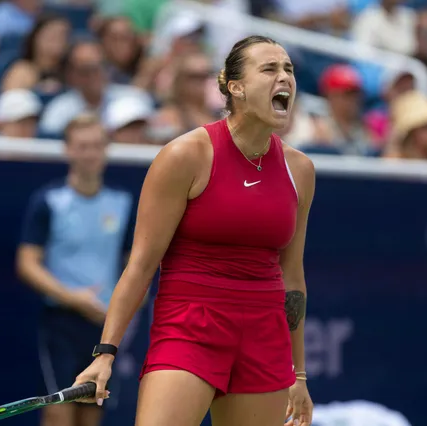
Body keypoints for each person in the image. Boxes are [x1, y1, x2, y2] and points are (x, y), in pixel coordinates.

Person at [73, 35, 315, 426]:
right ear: (235, 87)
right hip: (190, 328)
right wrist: (105, 352)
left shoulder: (300, 169)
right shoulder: (185, 155)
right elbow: (141, 265)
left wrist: (298, 374)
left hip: (265, 336)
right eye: (269, 69)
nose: (284, 77)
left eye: (288, 69)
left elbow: (293, 278)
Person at [16, 113, 134, 426]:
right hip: (61, 325)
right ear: (68, 150)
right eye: (82, 146)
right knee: (58, 411)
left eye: (97, 145)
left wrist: (125, 307)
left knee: (91, 411)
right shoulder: (49, 201)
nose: (90, 153)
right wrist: (72, 298)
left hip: (105, 327)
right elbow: (27, 263)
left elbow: (133, 265)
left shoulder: (122, 203)